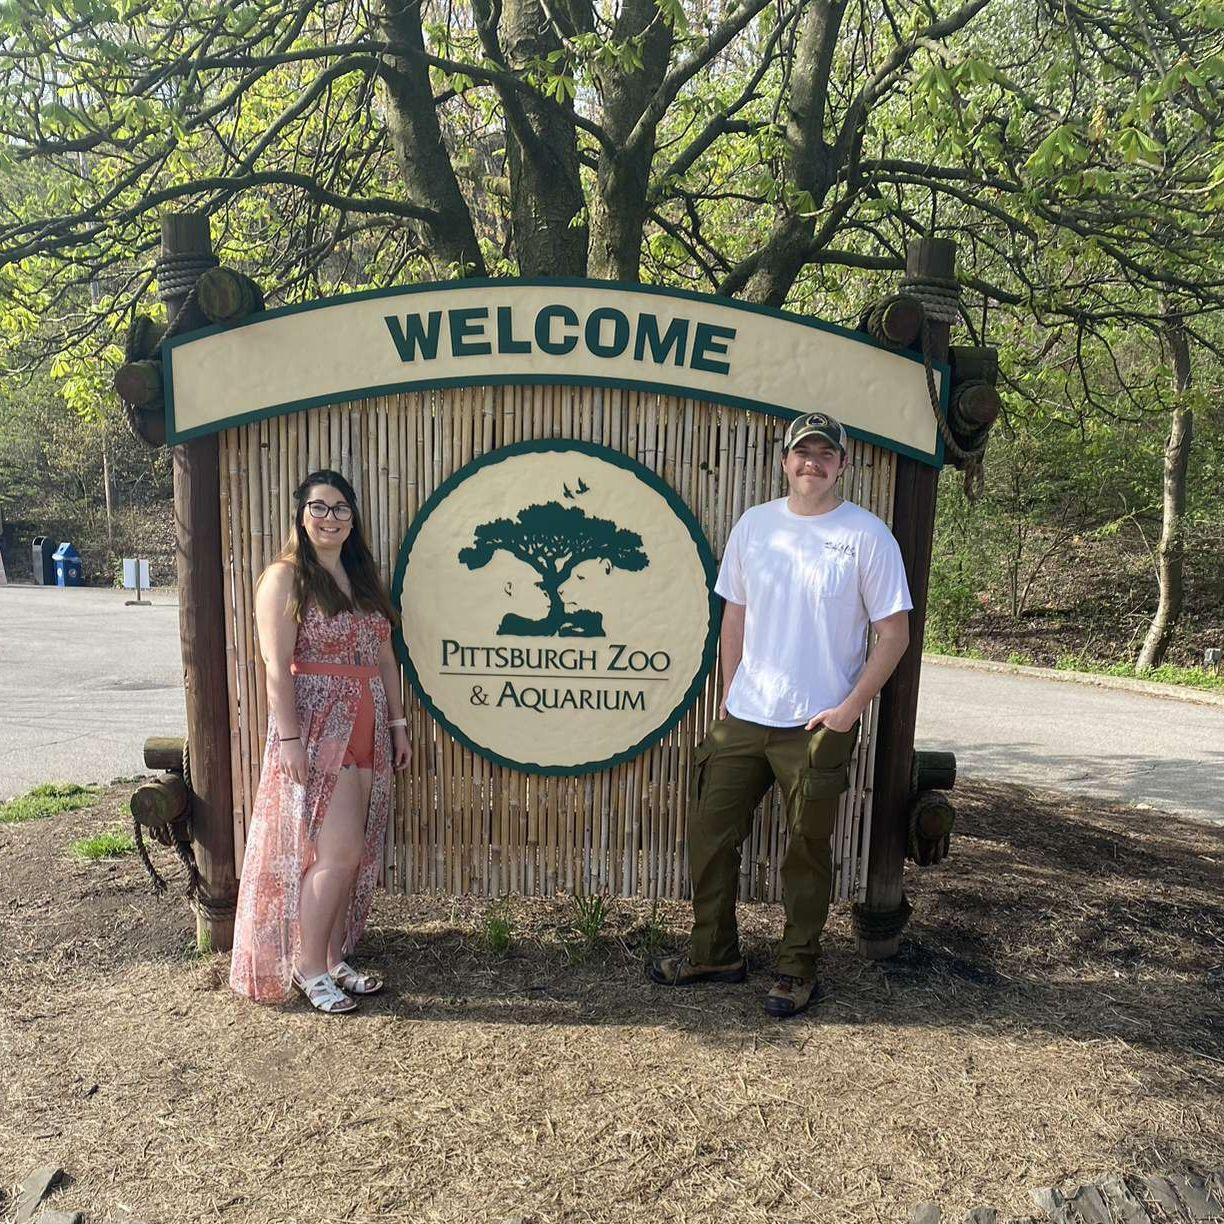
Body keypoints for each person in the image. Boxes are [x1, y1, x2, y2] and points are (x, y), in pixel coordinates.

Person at [650, 412, 913, 1018]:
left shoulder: (867, 536)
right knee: (710, 838)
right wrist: (727, 693)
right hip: (745, 714)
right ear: (784, 460)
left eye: (825, 453)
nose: (812, 462)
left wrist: (848, 711)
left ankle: (797, 967)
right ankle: (714, 951)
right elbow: (734, 616)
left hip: (819, 724)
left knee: (805, 848)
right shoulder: (756, 526)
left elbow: (893, 634)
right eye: (802, 452)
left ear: (843, 464)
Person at [230, 469, 411, 1014]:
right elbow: (276, 669)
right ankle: (308, 968)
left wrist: (398, 725)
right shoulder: (286, 578)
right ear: (300, 514)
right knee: (336, 852)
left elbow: (384, 657)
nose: (330, 517)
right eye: (319, 506)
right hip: (315, 722)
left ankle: (332, 957)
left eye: (340, 509)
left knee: (352, 852)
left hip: (367, 721)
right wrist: (288, 738)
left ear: (353, 519)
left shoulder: (361, 578)